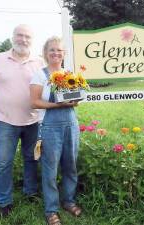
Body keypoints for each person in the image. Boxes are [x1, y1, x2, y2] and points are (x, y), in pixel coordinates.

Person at [0, 24, 43, 217]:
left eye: (27, 37)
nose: (23, 40)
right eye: (19, 35)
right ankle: (4, 202)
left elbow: (48, 89)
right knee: (3, 162)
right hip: (6, 121)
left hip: (33, 120)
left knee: (32, 158)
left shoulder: (39, 61)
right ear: (12, 37)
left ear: (31, 40)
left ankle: (30, 192)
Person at [30, 36, 82, 225]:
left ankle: (68, 200)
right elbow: (34, 102)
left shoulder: (70, 74)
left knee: (71, 166)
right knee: (50, 170)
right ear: (46, 53)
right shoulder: (40, 75)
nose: (56, 53)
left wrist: (75, 100)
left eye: (59, 50)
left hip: (71, 125)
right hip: (49, 127)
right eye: (52, 50)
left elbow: (75, 100)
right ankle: (51, 210)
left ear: (64, 54)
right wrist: (56, 104)